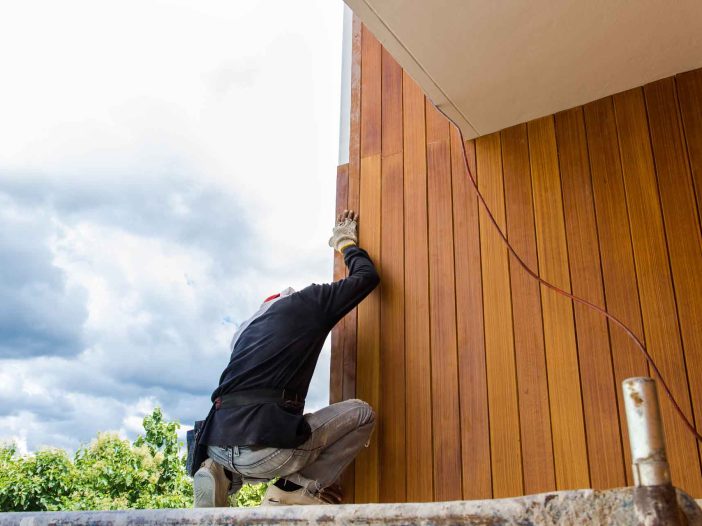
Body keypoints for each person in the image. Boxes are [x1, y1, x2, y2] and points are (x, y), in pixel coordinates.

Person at [191, 210, 379, 507]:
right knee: (361, 413)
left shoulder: (245, 332)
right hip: (267, 451)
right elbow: (366, 277)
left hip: (214, 443)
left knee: (259, 422)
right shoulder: (308, 302)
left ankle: (220, 474)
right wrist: (345, 243)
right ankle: (295, 490)